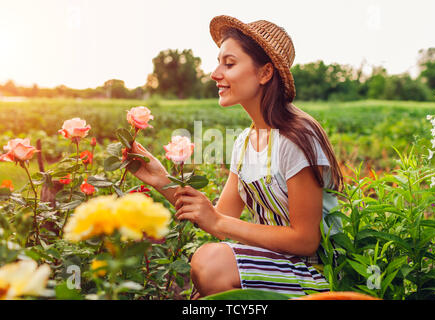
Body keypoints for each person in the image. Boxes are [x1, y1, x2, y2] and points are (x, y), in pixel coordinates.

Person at [130, 15, 343, 299]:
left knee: (212, 263)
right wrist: (160, 178)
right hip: (272, 264)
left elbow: (306, 240)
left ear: (265, 73)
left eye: (229, 64)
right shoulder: (245, 142)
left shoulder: (296, 138)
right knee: (210, 263)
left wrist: (218, 222)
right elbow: (221, 218)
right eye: (219, 62)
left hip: (314, 274)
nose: (215, 73)